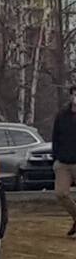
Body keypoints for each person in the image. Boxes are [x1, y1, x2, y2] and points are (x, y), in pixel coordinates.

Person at [51, 89, 76, 237]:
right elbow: (55, 137)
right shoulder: (61, 115)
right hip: (63, 162)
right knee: (61, 194)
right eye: (74, 94)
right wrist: (57, 156)